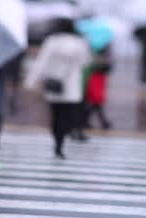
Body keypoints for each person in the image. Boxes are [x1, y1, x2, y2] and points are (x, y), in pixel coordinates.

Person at [27, 18, 92, 159]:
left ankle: (58, 143)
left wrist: (31, 82)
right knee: (67, 115)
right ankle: (64, 136)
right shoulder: (80, 43)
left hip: (54, 83)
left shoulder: (52, 41)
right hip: (72, 85)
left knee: (56, 115)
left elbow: (41, 62)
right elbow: (86, 62)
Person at [84, 46, 112, 130]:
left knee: (97, 102)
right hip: (94, 79)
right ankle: (103, 122)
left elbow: (107, 68)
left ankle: (85, 120)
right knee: (96, 101)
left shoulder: (102, 54)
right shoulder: (91, 54)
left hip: (99, 79)